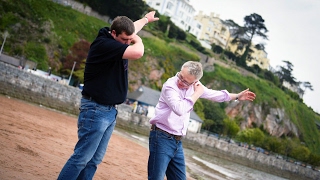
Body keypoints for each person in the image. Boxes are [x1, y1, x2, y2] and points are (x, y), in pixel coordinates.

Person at [58, 11, 159, 180]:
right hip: (95, 110)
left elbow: (131, 29)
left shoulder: (117, 37)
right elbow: (138, 52)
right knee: (81, 158)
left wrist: (145, 20)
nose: (127, 43)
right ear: (113, 33)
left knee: (94, 160)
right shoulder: (104, 45)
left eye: (129, 40)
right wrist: (138, 39)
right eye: (124, 40)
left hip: (109, 112)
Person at [148, 61, 256, 180]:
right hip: (161, 137)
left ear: (194, 82)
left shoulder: (195, 87)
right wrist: (197, 94)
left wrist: (236, 96)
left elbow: (215, 95)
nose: (180, 81)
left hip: (177, 142)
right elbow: (179, 109)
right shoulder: (170, 86)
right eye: (180, 76)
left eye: (185, 81)